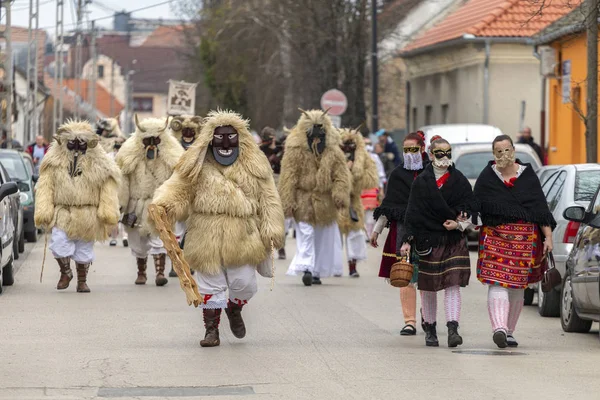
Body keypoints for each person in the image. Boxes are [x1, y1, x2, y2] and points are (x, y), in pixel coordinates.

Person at [150, 110, 285, 347]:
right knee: (210, 284)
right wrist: (164, 206)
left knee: (244, 283)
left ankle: (235, 307)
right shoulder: (196, 163)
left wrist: (272, 228)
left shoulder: (255, 164)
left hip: (243, 234)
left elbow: (269, 198)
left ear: (240, 139)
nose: (224, 143)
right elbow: (177, 188)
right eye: (219, 137)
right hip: (205, 233)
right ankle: (211, 331)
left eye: (230, 137)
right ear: (210, 138)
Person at [474, 134, 555, 348]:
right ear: (494, 154)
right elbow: (476, 206)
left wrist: (548, 237)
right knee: (497, 281)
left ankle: (509, 331)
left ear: (514, 150)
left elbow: (540, 209)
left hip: (524, 239)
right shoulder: (487, 177)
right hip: (495, 237)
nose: (504, 155)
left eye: (507, 150)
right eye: (499, 151)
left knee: (518, 287)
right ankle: (498, 328)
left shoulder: (527, 176)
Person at [400, 137, 476, 347]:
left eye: (448, 153)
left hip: (453, 239)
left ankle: (453, 329)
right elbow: (412, 212)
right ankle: (430, 329)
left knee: (453, 285)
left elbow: (471, 207)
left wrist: (459, 225)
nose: (445, 158)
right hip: (428, 239)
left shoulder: (459, 180)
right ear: (431, 155)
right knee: (428, 287)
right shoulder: (421, 182)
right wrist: (406, 240)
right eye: (440, 153)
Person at [34, 120, 120, 293]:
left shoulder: (100, 162)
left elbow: (108, 186)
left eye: (81, 143)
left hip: (88, 212)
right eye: (72, 142)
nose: (76, 147)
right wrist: (44, 209)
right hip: (63, 211)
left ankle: (82, 281)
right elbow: (45, 185)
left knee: (84, 248)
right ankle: (65, 272)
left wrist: (108, 210)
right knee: (59, 243)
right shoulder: (54, 160)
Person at [279, 109, 351, 286]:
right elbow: (288, 176)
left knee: (322, 238)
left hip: (325, 202)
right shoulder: (295, 150)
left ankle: (317, 270)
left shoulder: (333, 152)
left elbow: (341, 175)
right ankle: (306, 267)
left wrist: (340, 193)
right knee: (305, 233)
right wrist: (288, 200)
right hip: (303, 201)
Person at [371, 131, 428, 336]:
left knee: (426, 275)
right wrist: (376, 230)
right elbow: (389, 206)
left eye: (413, 149)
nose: (409, 154)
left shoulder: (431, 172)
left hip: (427, 229)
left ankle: (427, 316)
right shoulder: (397, 174)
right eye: (406, 150)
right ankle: (410, 321)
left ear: (422, 149)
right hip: (403, 229)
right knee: (405, 273)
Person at [116, 115, 183, 287]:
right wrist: (120, 203)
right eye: (147, 140)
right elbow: (123, 179)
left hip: (160, 203)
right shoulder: (129, 153)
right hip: (136, 204)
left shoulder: (173, 153)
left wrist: (175, 202)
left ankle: (160, 272)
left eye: (156, 139)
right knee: (138, 241)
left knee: (160, 238)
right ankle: (141, 272)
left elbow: (179, 178)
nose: (152, 143)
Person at [338, 127, 379, 277]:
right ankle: (333, 266)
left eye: (351, 144)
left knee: (354, 234)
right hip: (335, 201)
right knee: (334, 236)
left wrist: (355, 168)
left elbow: (370, 179)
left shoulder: (363, 158)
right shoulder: (334, 155)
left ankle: (352, 266)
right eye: (345, 144)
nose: (348, 147)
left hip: (353, 202)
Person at [167, 115, 203, 277]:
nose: (188, 134)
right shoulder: (172, 148)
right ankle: (176, 263)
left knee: (192, 230)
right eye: (184, 130)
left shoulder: (201, 149)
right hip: (177, 191)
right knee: (175, 230)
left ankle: (189, 261)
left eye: (191, 131)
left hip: (197, 193)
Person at [259, 126, 290, 259]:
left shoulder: (280, 149)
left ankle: (281, 247)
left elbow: (284, 164)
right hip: (264, 183)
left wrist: (280, 151)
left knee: (279, 217)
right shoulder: (260, 150)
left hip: (278, 182)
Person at [107, 138, 128, 247]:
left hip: (121, 187)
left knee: (121, 213)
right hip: (115, 187)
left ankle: (122, 236)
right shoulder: (110, 156)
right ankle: (118, 237)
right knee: (117, 213)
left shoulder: (125, 156)